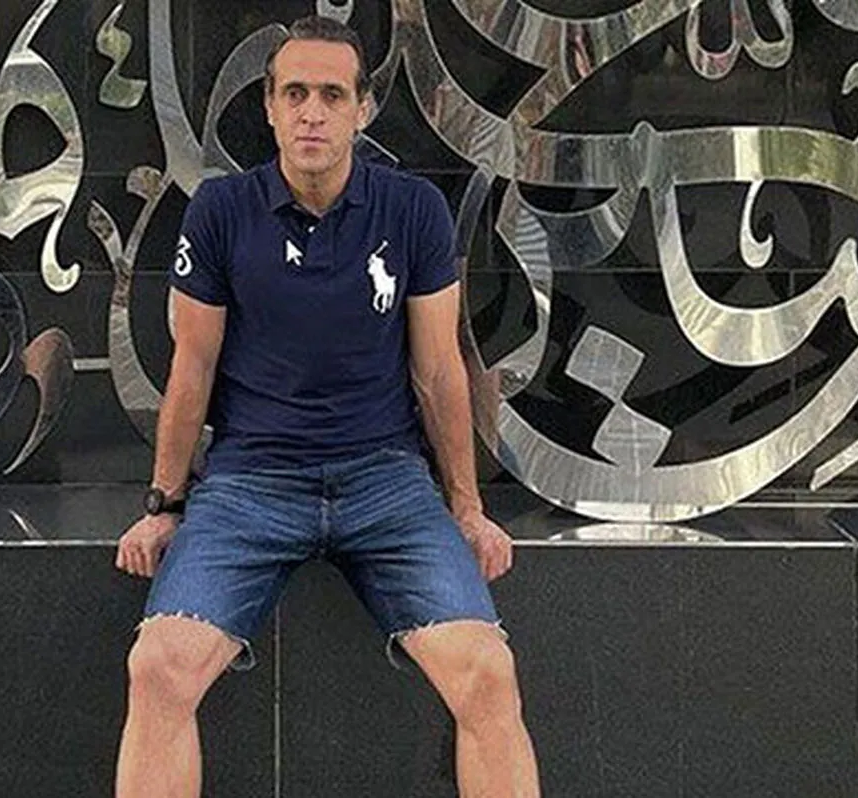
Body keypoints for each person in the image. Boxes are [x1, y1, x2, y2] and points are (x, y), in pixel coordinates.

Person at [114, 14, 541, 798]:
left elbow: (439, 370)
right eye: (296, 94)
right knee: (158, 666)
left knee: (487, 671)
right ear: (271, 106)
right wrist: (163, 504)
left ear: (362, 109)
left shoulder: (411, 210)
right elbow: (192, 366)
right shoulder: (221, 211)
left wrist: (468, 507)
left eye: (332, 96)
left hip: (386, 483)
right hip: (251, 483)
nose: (313, 112)